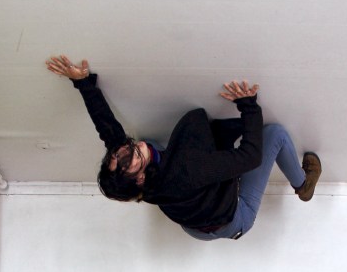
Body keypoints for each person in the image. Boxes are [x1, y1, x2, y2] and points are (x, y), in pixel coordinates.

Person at [45, 55, 322, 241]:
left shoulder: (131, 171)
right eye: (129, 157)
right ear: (140, 178)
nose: (125, 150)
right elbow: (250, 156)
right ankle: (304, 185)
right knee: (275, 134)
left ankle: (216, 185)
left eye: (118, 154)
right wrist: (248, 104)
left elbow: (107, 129)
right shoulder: (188, 170)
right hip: (234, 218)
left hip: (195, 223)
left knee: (146, 146)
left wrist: (82, 82)